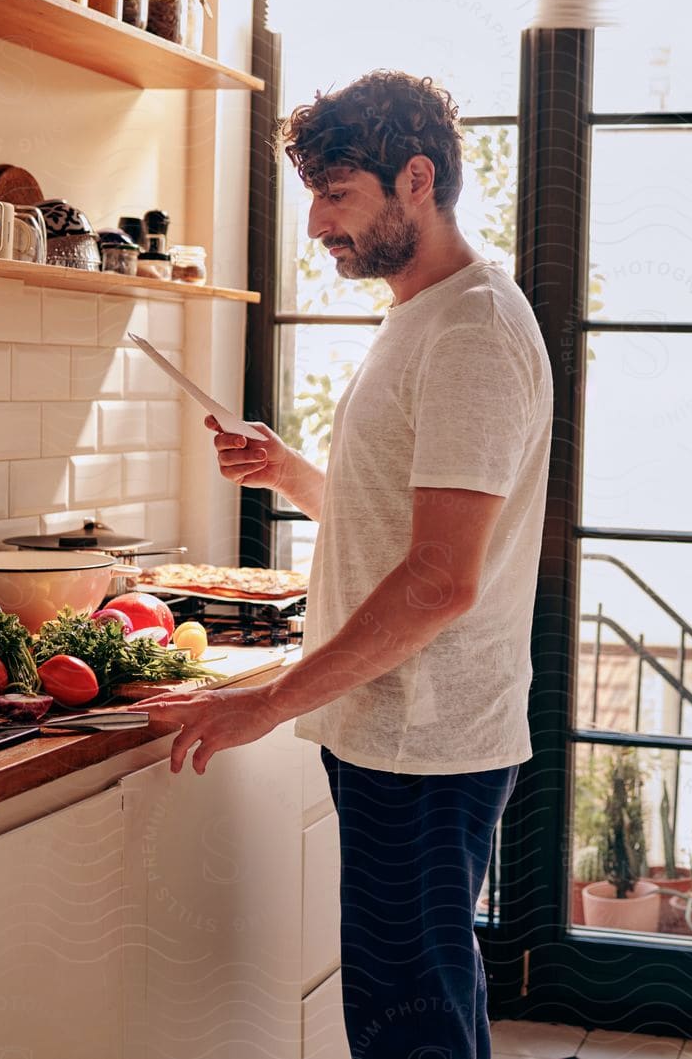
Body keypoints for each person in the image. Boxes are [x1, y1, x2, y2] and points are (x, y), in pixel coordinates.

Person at [140, 70, 553, 1059]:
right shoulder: (423, 318)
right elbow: (393, 529)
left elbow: (443, 580)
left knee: (411, 1027)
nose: (318, 223)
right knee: (421, 1006)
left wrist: (268, 698)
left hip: (422, 742)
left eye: (336, 193)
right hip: (396, 734)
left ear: (416, 178)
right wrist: (286, 471)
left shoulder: (471, 333)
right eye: (313, 195)